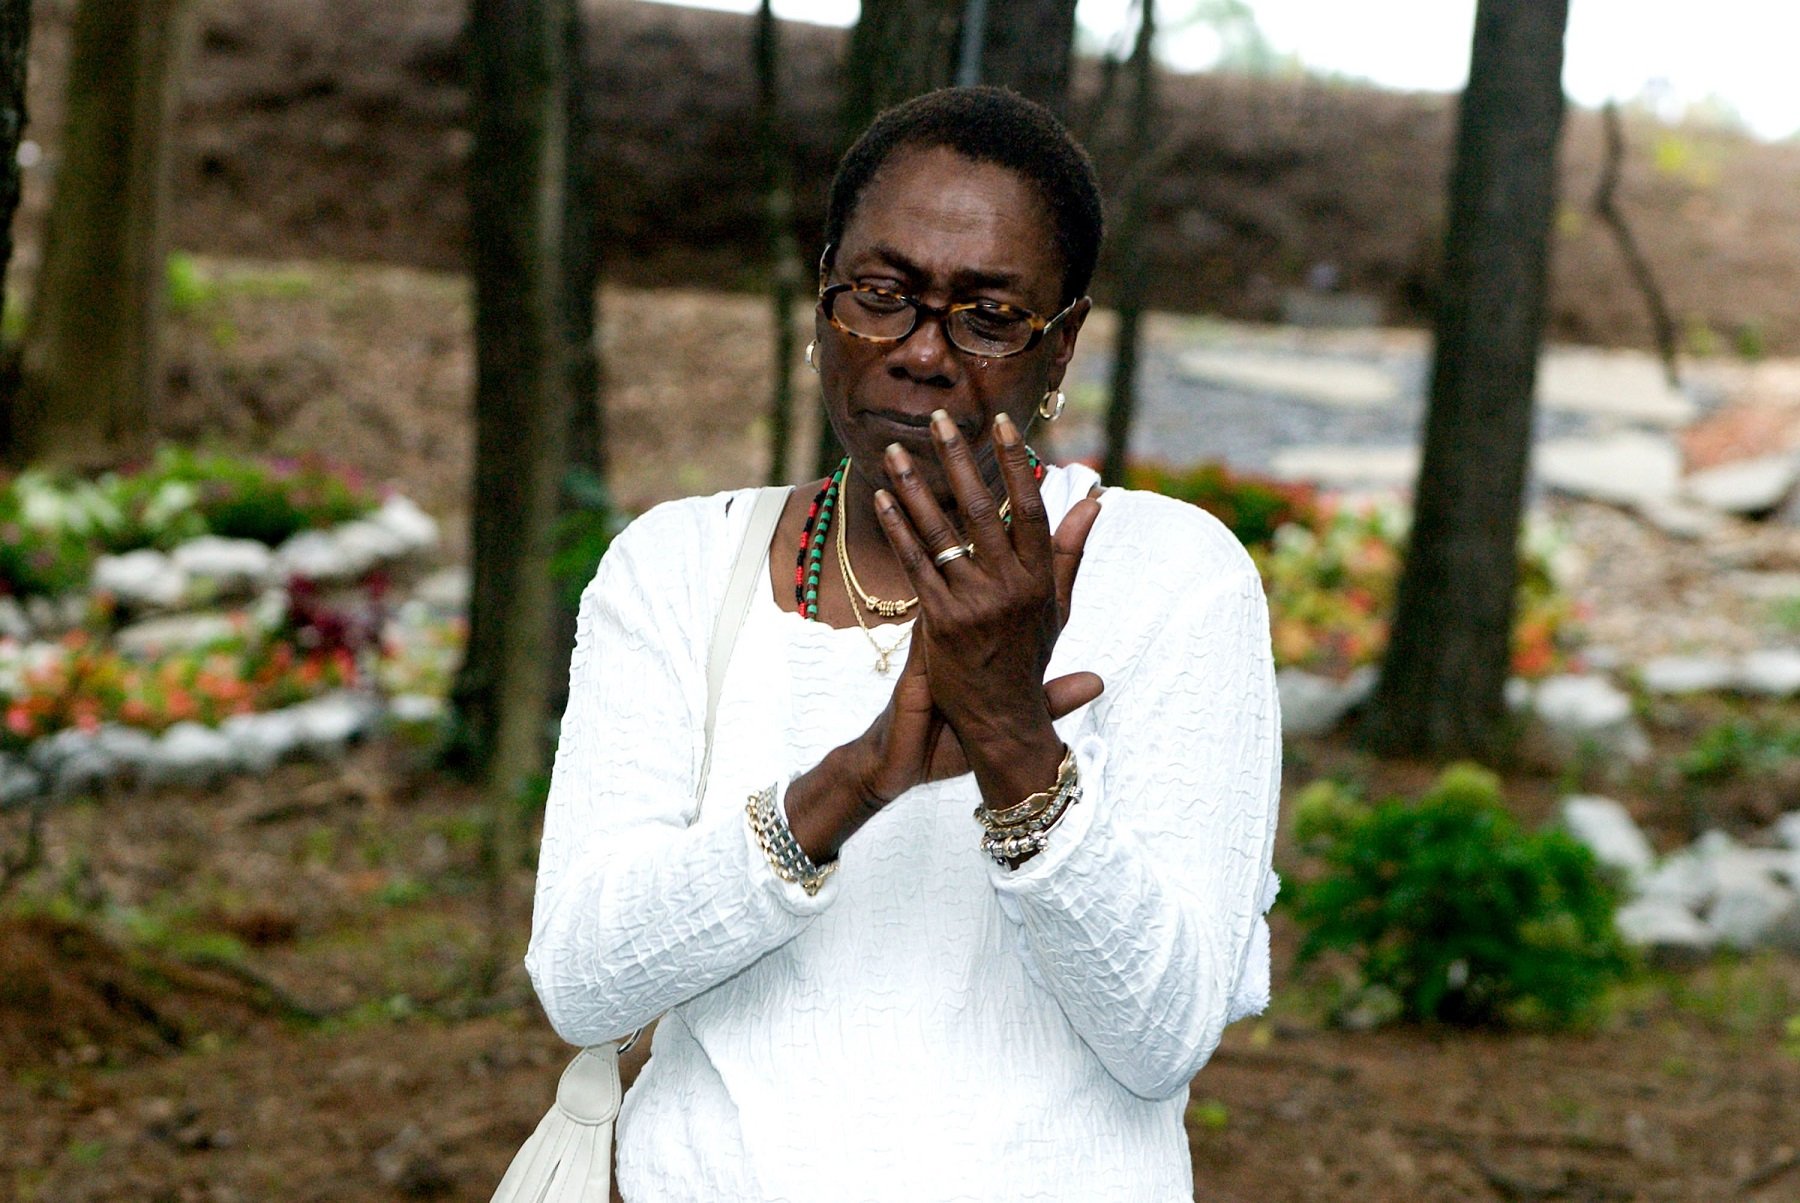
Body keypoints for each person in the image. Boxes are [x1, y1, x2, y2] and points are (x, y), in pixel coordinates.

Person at [525, 86, 1281, 1202]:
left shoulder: (1173, 580)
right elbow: (586, 986)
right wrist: (854, 782)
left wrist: (1018, 747)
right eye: (881, 296)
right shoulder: (680, 568)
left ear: (1060, 342)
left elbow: (1162, 1032)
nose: (922, 353)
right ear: (828, 294)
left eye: (984, 317)